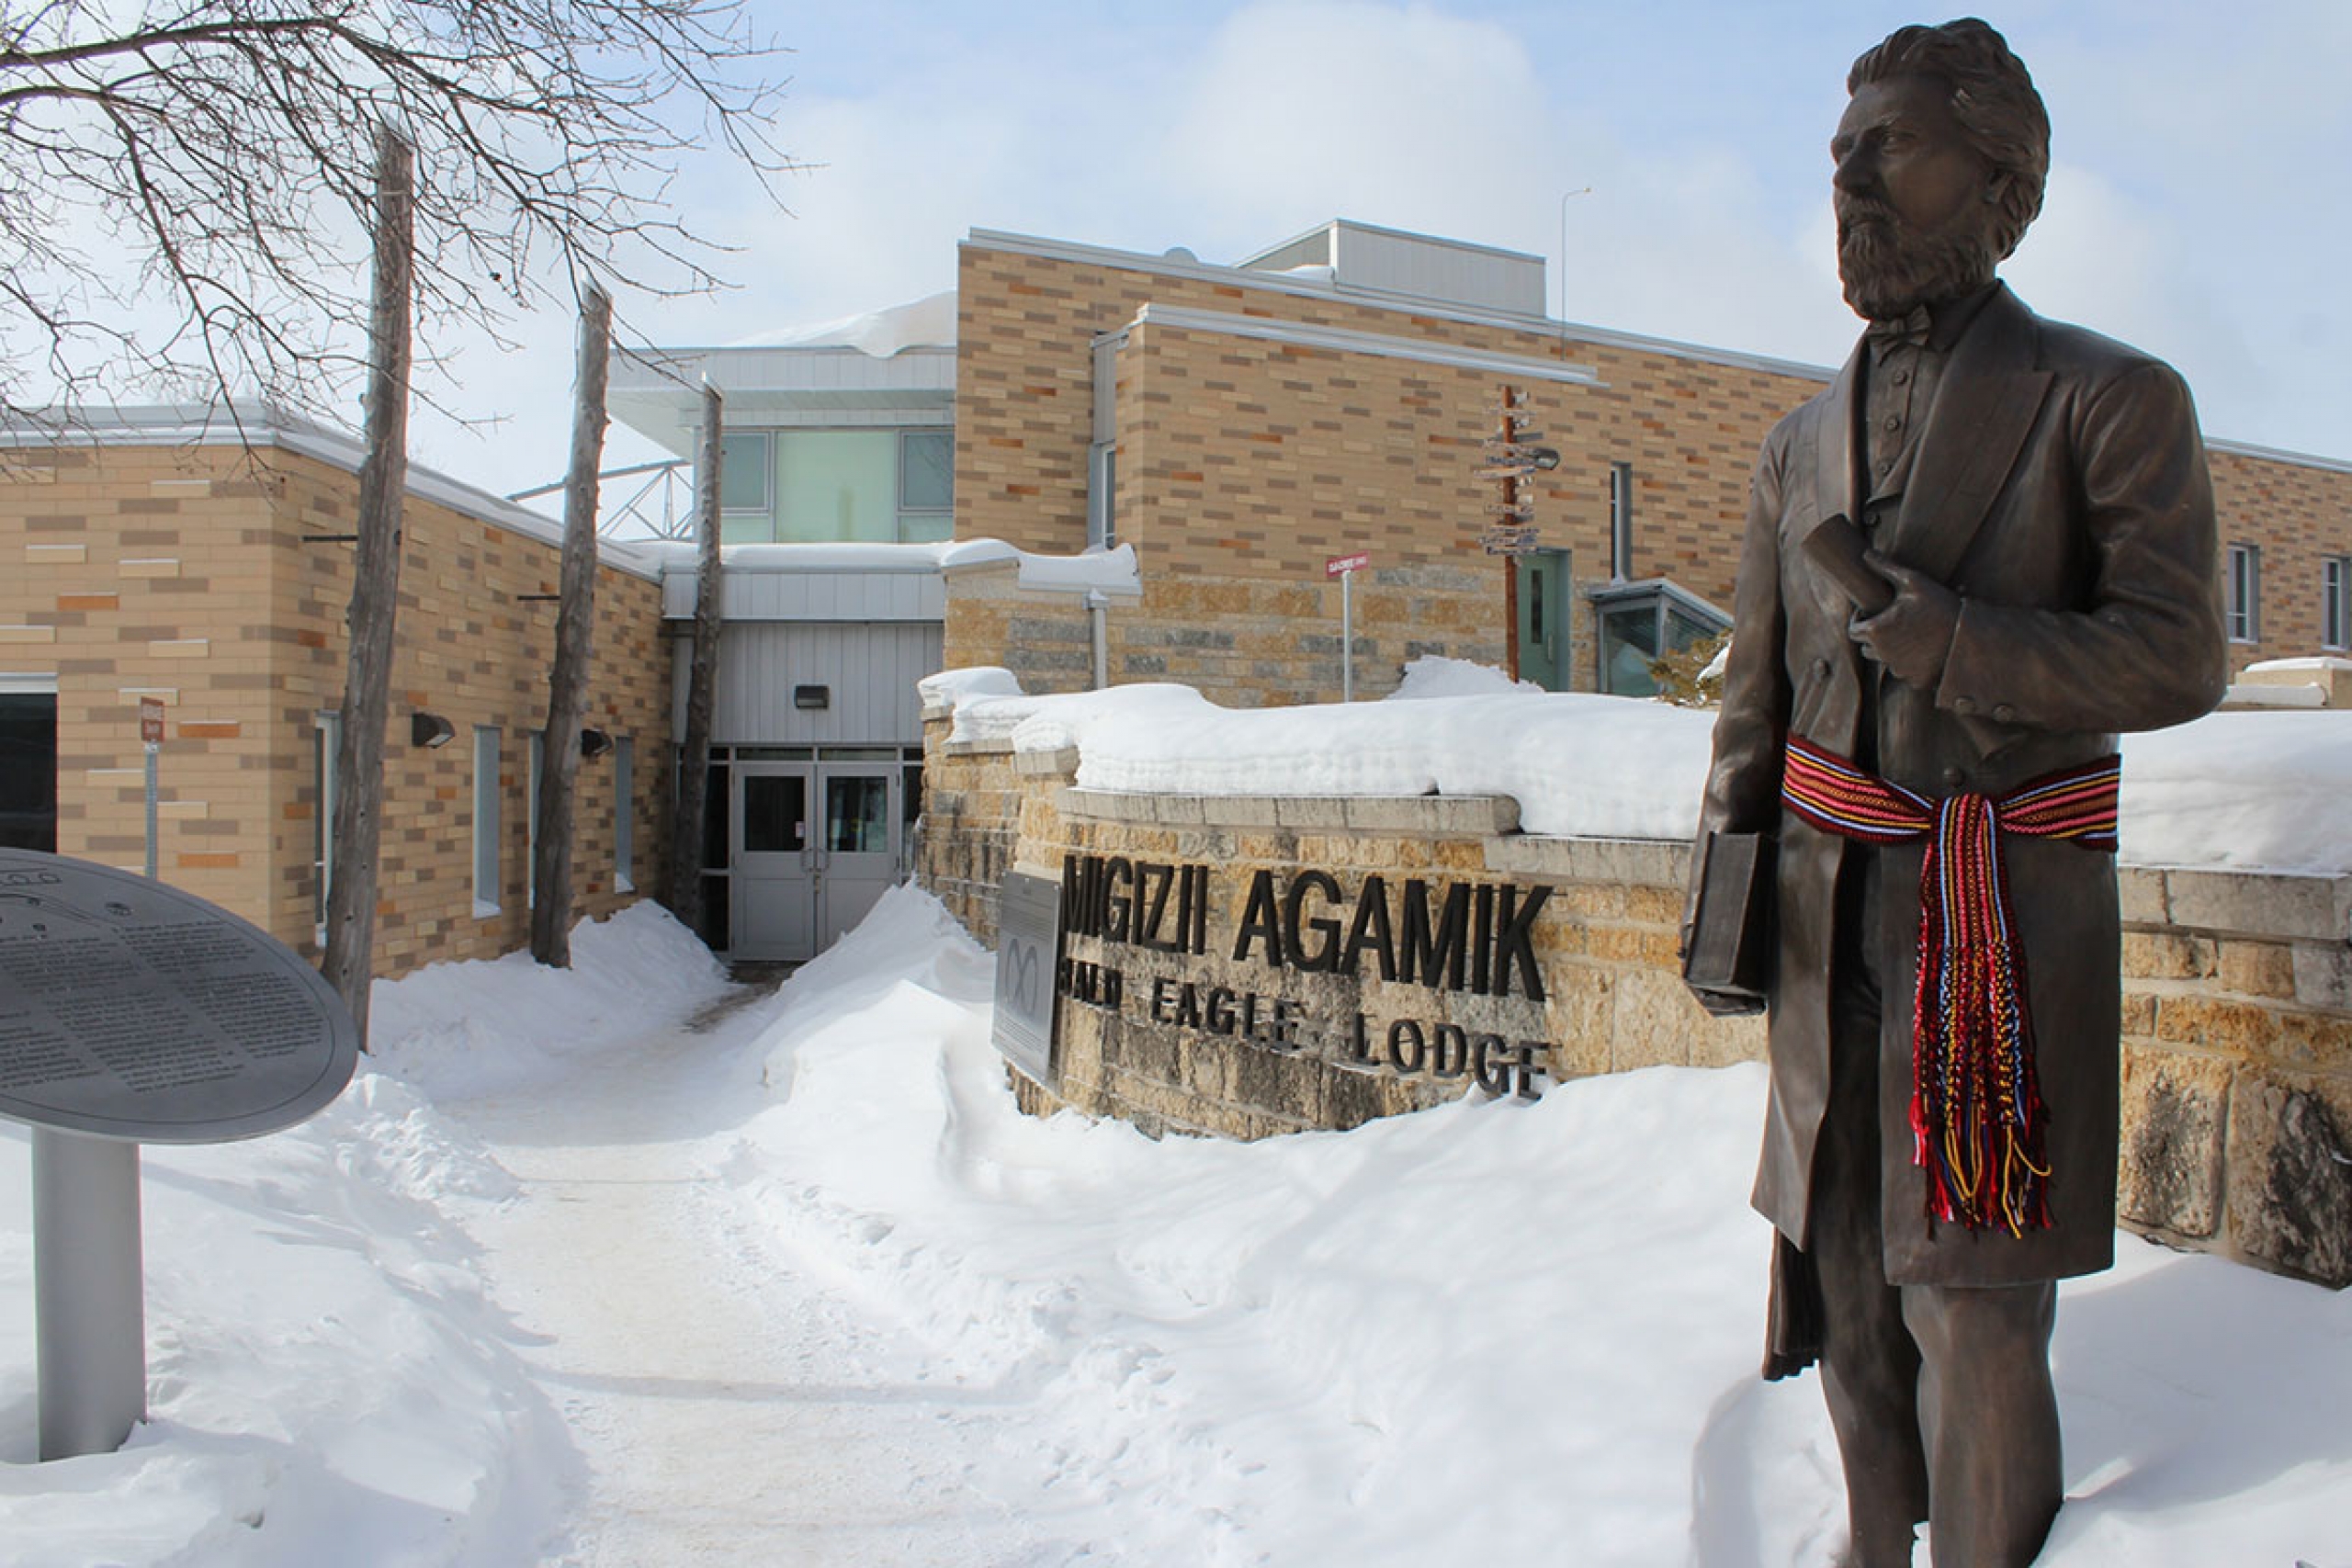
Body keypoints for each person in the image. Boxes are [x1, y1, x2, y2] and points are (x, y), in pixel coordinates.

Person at [1685, 18, 2226, 1566]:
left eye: (1890, 146)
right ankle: (1871, 1545)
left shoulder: (2109, 399)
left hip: (1995, 920)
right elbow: (1754, 704)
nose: (1850, 176)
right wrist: (1727, 907)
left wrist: (1954, 641)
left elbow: (2181, 653)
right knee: (1848, 1291)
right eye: (1840, 153)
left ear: (2000, 178)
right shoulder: (1795, 449)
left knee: (1971, 1298)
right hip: (1823, 921)